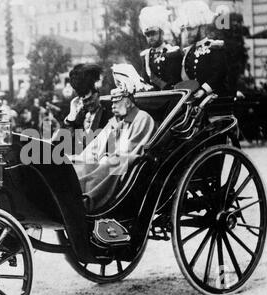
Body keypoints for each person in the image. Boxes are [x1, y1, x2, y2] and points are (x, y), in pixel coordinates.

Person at [70, 64, 156, 212]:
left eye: (117, 101)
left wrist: (107, 156)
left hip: (129, 159)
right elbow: (98, 144)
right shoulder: (116, 121)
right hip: (112, 156)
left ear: (128, 103)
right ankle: (73, 193)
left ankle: (88, 199)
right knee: (83, 162)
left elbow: (134, 147)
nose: (113, 106)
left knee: (107, 163)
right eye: (113, 101)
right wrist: (82, 157)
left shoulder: (142, 118)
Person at [176, 0, 229, 98]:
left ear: (202, 28)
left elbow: (219, 74)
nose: (188, 33)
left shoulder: (214, 47)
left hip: (214, 98)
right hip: (194, 99)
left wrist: (204, 90)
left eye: (191, 28)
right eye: (186, 29)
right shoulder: (188, 52)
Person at [59, 64, 112, 153]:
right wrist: (71, 117)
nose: (85, 101)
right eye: (82, 96)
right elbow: (61, 148)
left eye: (89, 96)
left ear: (97, 91)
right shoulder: (80, 114)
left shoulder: (109, 113)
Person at [139, 5, 183, 91]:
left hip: (171, 96)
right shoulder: (147, 56)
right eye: (148, 35)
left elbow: (175, 81)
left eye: (153, 33)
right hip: (154, 97)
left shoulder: (172, 52)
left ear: (162, 33)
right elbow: (145, 80)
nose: (151, 37)